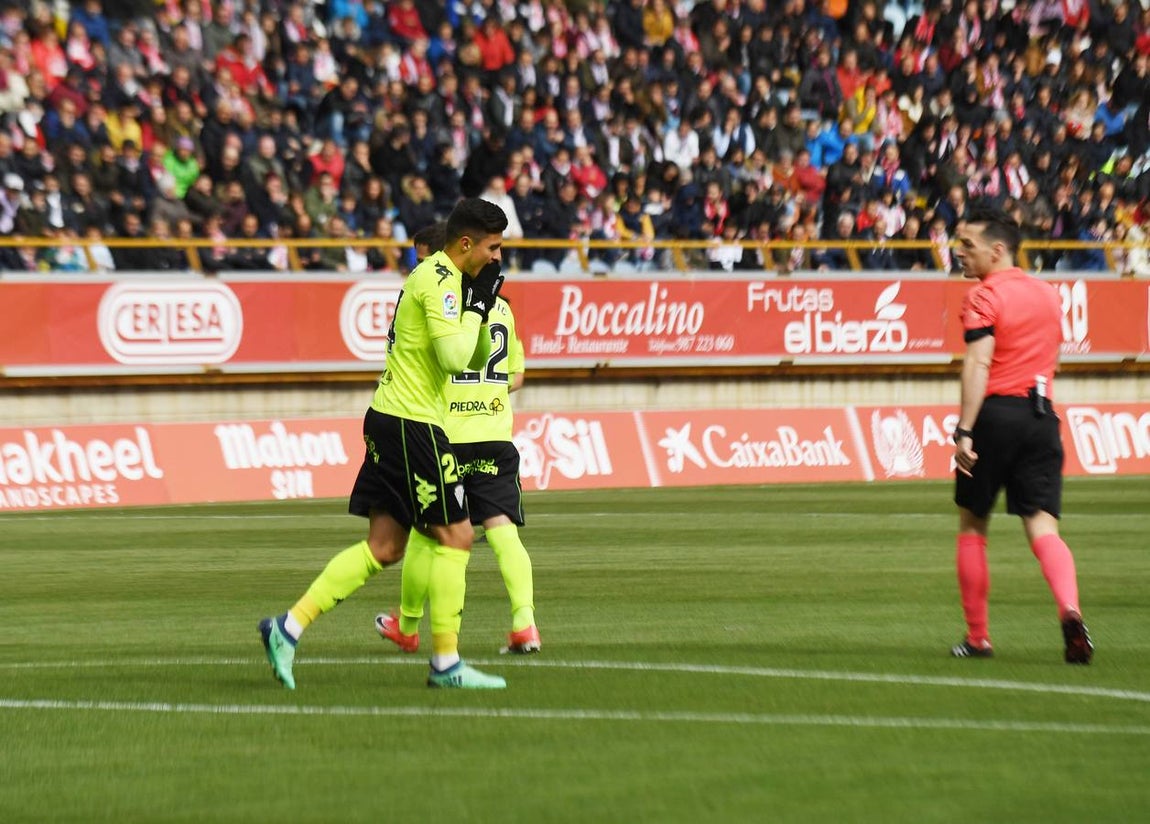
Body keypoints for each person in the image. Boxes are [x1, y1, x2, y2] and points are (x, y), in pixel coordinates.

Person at [259, 198, 511, 690]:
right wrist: (479, 304)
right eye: (493, 247)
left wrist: (479, 305)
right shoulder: (439, 280)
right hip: (412, 423)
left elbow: (477, 355)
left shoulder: (449, 281)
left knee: (385, 546)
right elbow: (455, 359)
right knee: (458, 536)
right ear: (466, 243)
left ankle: (286, 629)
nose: (498, 257)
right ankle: (447, 664)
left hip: (389, 418)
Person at [376, 222, 540, 655]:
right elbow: (515, 376)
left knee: (429, 536)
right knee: (504, 531)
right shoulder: (501, 308)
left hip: (444, 435)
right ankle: (525, 624)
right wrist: (486, 393)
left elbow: (435, 362)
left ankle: (409, 626)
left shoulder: (443, 303)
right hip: (494, 435)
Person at [949, 206, 1093, 665]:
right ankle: (1070, 610)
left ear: (997, 250)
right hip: (1041, 416)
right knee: (1043, 527)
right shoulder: (1048, 294)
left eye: (967, 245)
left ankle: (978, 638)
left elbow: (979, 363)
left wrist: (964, 430)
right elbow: (1053, 357)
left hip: (996, 415)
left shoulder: (983, 296)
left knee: (973, 524)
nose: (959, 252)